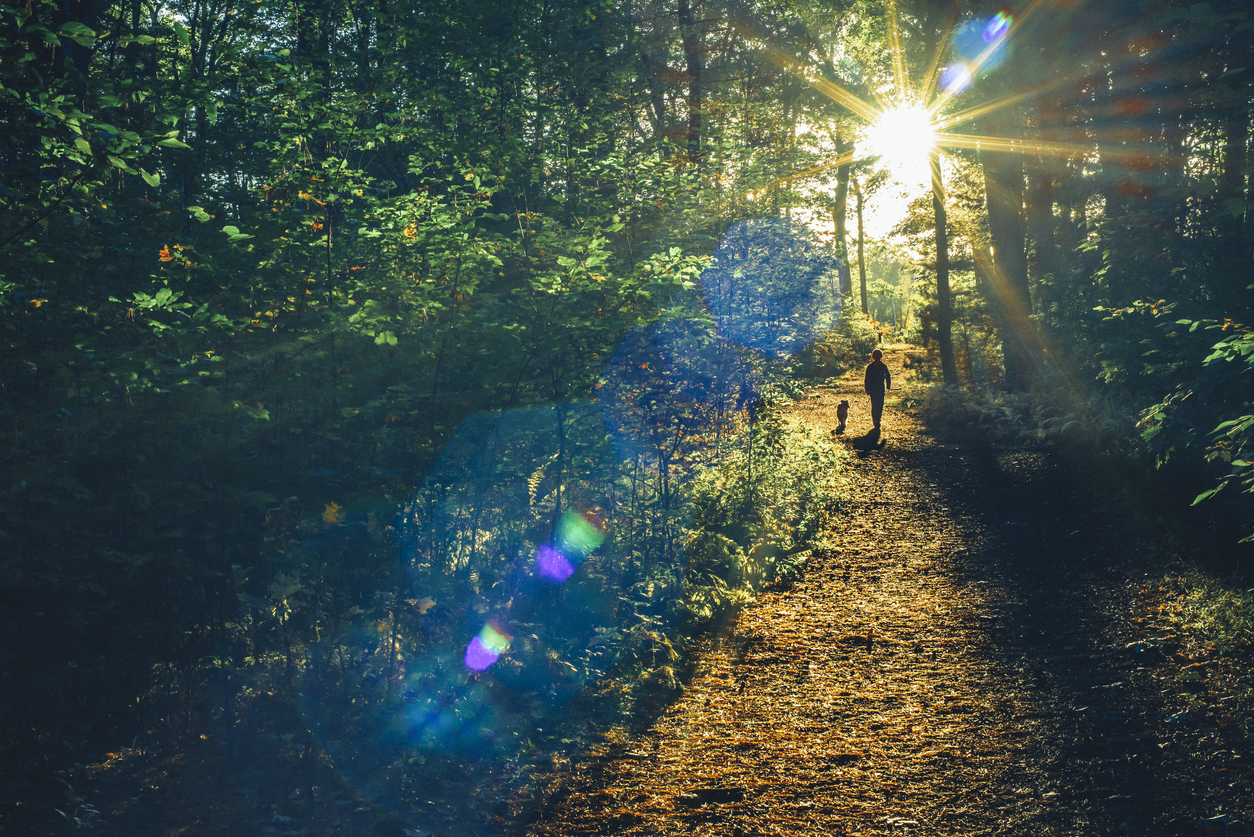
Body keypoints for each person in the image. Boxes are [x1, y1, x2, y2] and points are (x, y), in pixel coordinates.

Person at [864, 348, 891, 432]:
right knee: (875, 405)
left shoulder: (882, 366)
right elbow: (867, 379)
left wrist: (888, 385)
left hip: (879, 389)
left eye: (878, 356)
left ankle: (877, 420)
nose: (877, 357)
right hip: (874, 389)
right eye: (876, 356)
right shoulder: (870, 367)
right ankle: (876, 420)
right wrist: (867, 389)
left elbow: (888, 376)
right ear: (873, 356)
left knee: (879, 405)